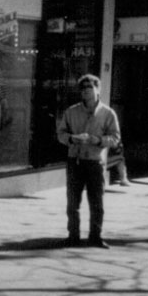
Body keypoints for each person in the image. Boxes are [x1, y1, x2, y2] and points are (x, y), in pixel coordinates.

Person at [56, 73, 121, 248]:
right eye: (83, 89)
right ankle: (73, 235)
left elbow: (115, 137)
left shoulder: (107, 113)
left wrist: (98, 140)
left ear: (97, 90)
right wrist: (72, 139)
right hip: (75, 160)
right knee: (73, 201)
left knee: (97, 201)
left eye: (90, 88)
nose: (86, 92)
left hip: (95, 161)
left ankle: (95, 236)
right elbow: (61, 134)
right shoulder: (71, 112)